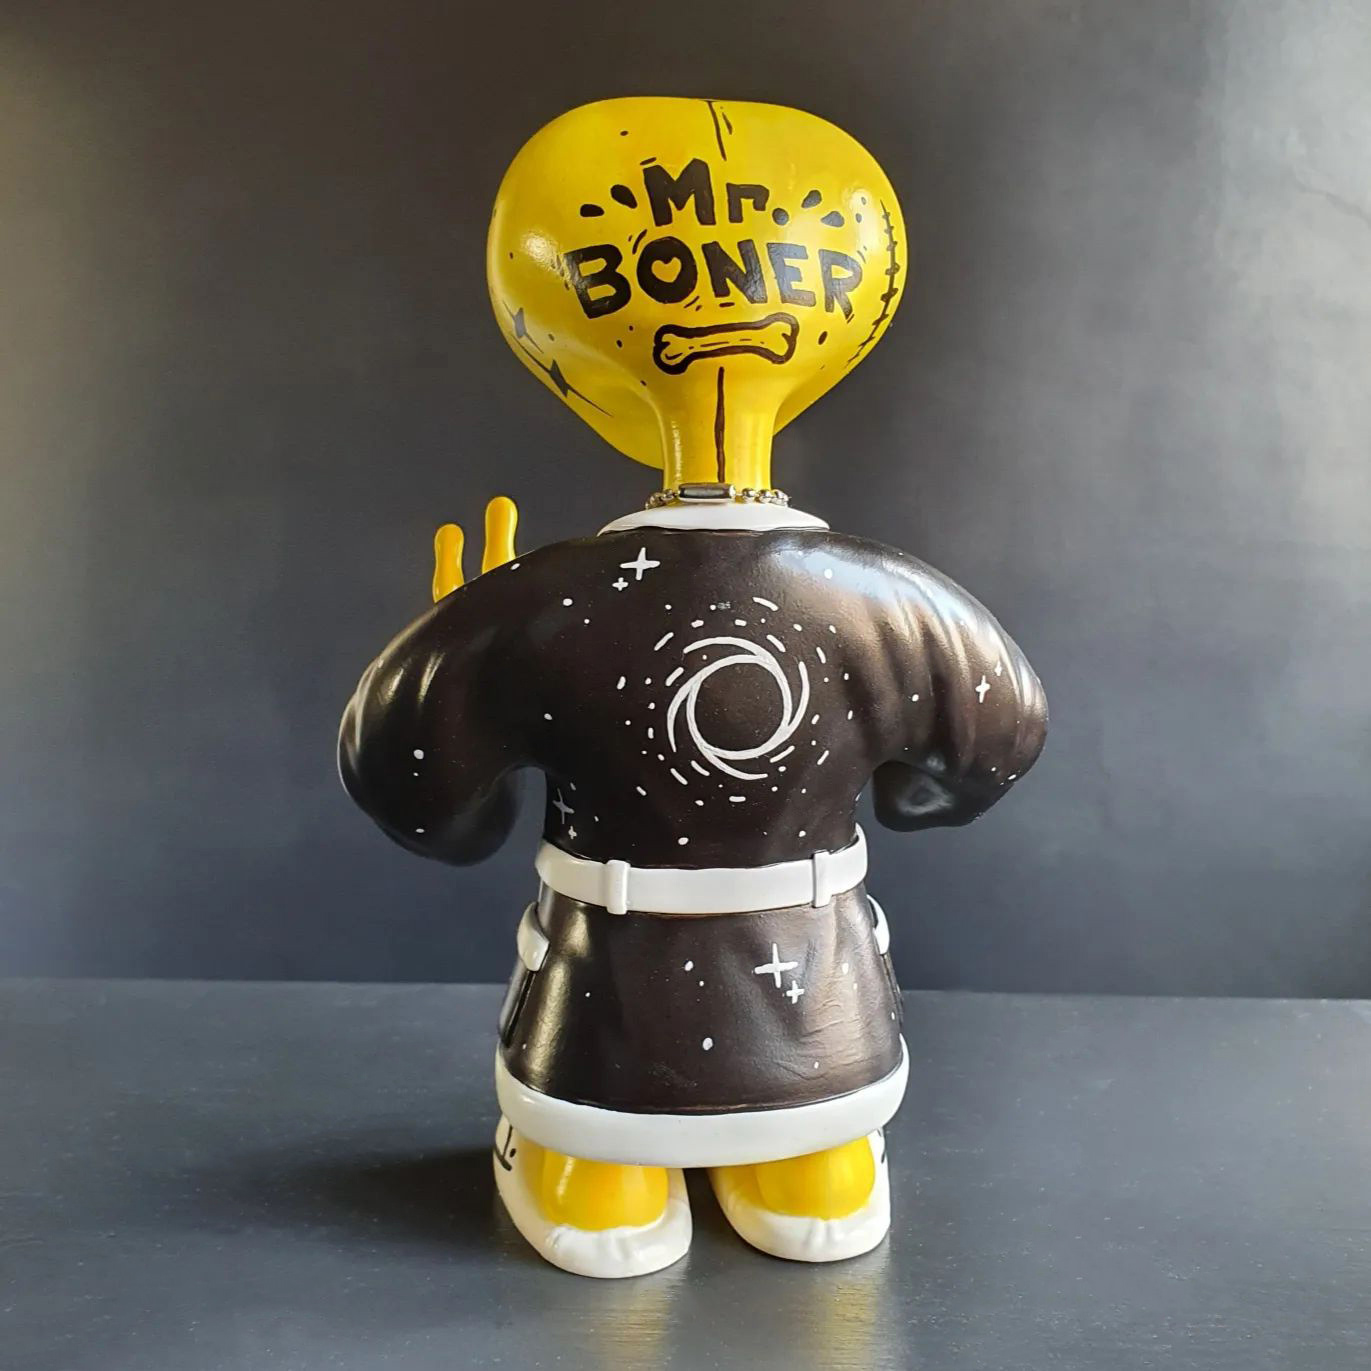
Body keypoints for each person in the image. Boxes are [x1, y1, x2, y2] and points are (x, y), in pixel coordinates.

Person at [339, 97, 1047, 1278]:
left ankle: (594, 1173)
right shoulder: (892, 598)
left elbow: (415, 788)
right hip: (823, 1015)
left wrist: (449, 641)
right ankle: (809, 1161)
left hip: (602, 1027)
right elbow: (993, 742)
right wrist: (908, 795)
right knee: (823, 1159)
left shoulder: (541, 602)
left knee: (597, 1186)